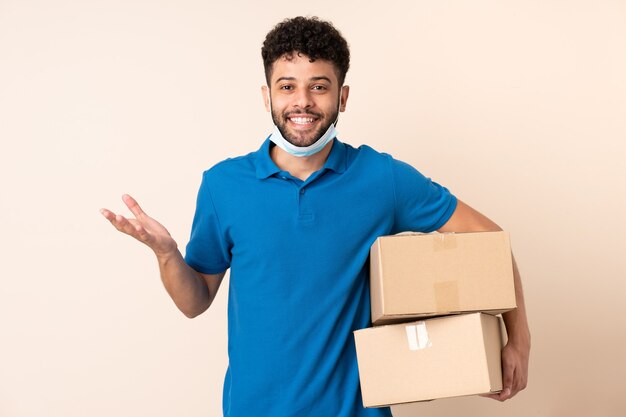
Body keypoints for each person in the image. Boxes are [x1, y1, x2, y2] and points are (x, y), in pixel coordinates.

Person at [101, 16, 530, 417]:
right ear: (267, 95)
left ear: (342, 97)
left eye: (319, 86)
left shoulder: (382, 178)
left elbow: (490, 241)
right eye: (287, 86)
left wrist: (519, 342)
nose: (302, 102)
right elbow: (194, 303)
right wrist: (167, 255)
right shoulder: (223, 186)